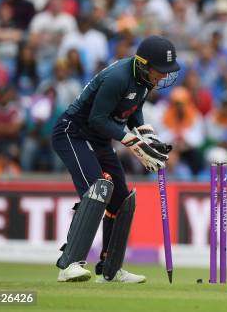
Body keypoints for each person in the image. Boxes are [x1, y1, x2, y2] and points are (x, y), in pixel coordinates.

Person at [51, 36, 180, 283]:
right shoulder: (119, 77)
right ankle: (69, 264)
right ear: (143, 63)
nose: (163, 76)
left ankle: (110, 269)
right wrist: (134, 143)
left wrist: (148, 137)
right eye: (160, 71)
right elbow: (97, 118)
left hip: (98, 139)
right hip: (73, 133)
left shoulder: (144, 79)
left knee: (121, 200)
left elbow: (133, 111)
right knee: (97, 189)